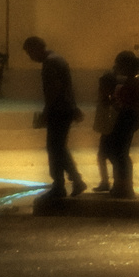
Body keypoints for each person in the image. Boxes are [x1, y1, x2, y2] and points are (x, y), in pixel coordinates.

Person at [23, 36, 87, 199]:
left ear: (36, 48)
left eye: (30, 52)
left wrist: (46, 112)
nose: (30, 57)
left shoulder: (50, 63)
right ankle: (76, 180)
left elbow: (55, 89)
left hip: (58, 110)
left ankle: (59, 184)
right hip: (65, 109)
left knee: (54, 148)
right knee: (59, 148)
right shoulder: (57, 59)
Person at [108, 50, 139, 199]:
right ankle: (121, 184)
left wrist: (120, 104)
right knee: (120, 152)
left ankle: (123, 185)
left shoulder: (133, 81)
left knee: (120, 153)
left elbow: (134, 101)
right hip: (130, 116)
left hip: (128, 117)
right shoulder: (133, 80)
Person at [92, 67, 119, 193]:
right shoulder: (108, 98)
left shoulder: (112, 100)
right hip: (108, 131)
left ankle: (108, 182)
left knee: (107, 156)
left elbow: (109, 114)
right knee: (104, 156)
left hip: (110, 131)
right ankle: (107, 181)